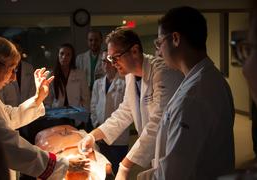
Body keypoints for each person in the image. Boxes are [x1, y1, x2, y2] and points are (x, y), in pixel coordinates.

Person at [0, 37, 89, 180]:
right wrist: (62, 165)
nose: (13, 78)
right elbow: (9, 146)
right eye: (12, 70)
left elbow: (8, 117)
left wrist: (37, 98)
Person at [138, 6, 235, 180]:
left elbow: (174, 173)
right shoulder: (212, 77)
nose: (158, 51)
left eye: (159, 43)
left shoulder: (192, 98)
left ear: (175, 39)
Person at [78, 28, 184, 179]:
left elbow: (158, 124)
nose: (113, 64)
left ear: (134, 51)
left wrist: (125, 165)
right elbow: (125, 112)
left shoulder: (163, 72)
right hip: (157, 152)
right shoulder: (130, 75)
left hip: (174, 150)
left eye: (115, 58)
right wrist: (93, 136)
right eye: (110, 59)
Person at [90, 50, 129, 175]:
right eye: (103, 61)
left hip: (119, 138)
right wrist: (96, 123)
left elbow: (127, 111)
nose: (105, 64)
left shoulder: (125, 82)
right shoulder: (98, 83)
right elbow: (93, 106)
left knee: (118, 171)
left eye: (108, 61)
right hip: (100, 135)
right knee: (103, 170)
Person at [45, 43, 90, 127]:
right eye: (62, 53)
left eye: (68, 54)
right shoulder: (51, 75)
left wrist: (84, 116)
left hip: (76, 114)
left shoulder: (80, 74)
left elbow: (85, 98)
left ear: (72, 57)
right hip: (57, 115)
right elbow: (48, 100)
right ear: (58, 55)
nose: (64, 57)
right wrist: (50, 115)